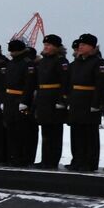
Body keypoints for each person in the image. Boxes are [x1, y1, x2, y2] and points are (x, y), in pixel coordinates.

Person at [66, 33, 104, 172]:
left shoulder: (98, 63)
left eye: (84, 45)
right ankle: (77, 159)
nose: (80, 47)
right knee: (76, 133)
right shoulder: (76, 63)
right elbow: (70, 83)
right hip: (76, 101)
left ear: (92, 47)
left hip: (89, 102)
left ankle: (89, 162)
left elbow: (100, 85)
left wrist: (96, 104)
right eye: (80, 45)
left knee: (89, 134)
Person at [33, 34, 69, 169]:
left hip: (54, 99)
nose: (46, 47)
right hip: (43, 99)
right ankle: (45, 159)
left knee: (55, 132)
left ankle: (52, 160)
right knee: (46, 132)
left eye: (49, 45)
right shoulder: (42, 62)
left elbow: (65, 82)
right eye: (45, 45)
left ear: (56, 47)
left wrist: (62, 99)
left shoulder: (60, 61)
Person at [2, 39, 36, 167]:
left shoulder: (27, 64)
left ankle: (24, 157)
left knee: (23, 130)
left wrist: (25, 100)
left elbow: (29, 84)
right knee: (11, 129)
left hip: (21, 100)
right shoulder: (11, 63)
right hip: (10, 99)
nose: (11, 53)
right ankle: (13, 156)